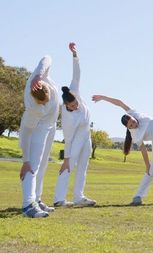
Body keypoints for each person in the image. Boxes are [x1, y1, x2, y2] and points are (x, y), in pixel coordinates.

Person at [92, 95, 153, 205]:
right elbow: (143, 150)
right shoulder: (135, 134)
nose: (134, 125)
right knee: (152, 171)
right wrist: (147, 165)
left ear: (132, 117)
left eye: (133, 122)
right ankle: (138, 196)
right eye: (131, 125)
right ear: (128, 128)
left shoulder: (133, 113)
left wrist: (103, 98)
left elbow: (120, 103)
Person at [53, 43, 96, 208]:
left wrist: (75, 55)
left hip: (87, 136)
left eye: (75, 103)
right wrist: (66, 158)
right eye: (72, 106)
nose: (75, 106)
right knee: (68, 166)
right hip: (75, 139)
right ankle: (59, 199)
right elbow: (68, 139)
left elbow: (77, 73)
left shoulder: (74, 91)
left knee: (83, 167)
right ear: (66, 106)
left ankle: (79, 197)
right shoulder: (67, 119)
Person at [19, 54, 60, 218]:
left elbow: (47, 57)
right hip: (39, 127)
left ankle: (37, 198)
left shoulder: (40, 77)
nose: (45, 103)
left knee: (43, 165)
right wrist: (25, 160)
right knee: (33, 166)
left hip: (51, 125)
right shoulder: (32, 108)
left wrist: (39, 74)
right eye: (42, 102)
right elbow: (25, 132)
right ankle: (28, 205)